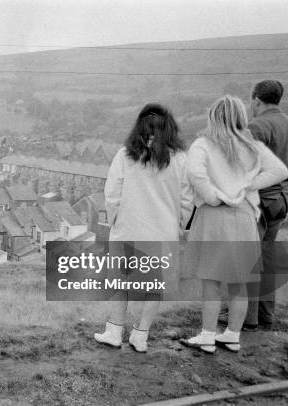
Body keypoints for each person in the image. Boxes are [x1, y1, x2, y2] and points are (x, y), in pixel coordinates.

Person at [183, 95, 288, 354]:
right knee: (240, 282)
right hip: (243, 215)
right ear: (241, 117)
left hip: (214, 215)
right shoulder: (252, 145)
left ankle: (207, 336)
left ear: (213, 116)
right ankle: (232, 335)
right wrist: (245, 186)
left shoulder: (203, 144)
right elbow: (280, 172)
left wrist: (213, 196)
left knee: (211, 280)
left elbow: (195, 174)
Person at [93, 103, 193, 352]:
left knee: (120, 282)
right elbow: (187, 200)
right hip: (162, 232)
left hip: (128, 228)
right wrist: (179, 225)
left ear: (139, 126)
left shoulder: (125, 155)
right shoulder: (180, 158)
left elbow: (112, 195)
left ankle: (115, 331)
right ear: (169, 126)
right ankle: (140, 336)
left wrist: (115, 220)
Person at [244, 80, 288, 330]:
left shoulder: (257, 125)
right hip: (284, 198)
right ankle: (265, 316)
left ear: (256, 99)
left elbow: (245, 166)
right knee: (266, 255)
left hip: (262, 200)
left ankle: (248, 318)